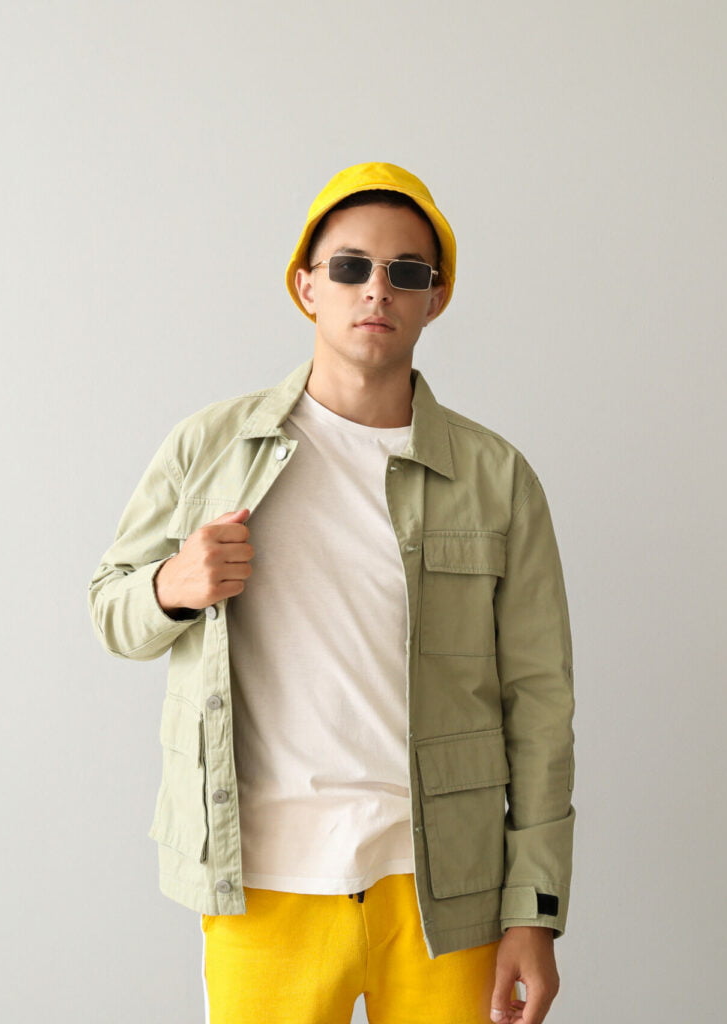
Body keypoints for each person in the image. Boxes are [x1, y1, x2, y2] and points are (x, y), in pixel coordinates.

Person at [88, 161, 576, 1024]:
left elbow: (538, 703)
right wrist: (173, 585)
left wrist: (530, 912)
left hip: (442, 891)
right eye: (349, 266)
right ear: (305, 286)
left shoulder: (495, 478)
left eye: (406, 272)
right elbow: (112, 611)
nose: (375, 289)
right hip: (266, 882)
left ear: (436, 298)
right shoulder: (211, 447)